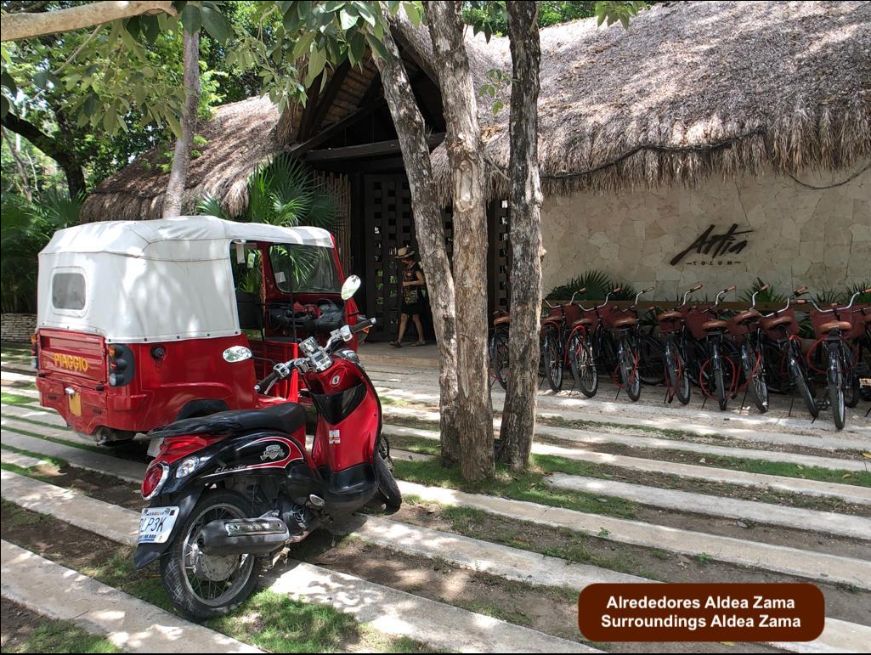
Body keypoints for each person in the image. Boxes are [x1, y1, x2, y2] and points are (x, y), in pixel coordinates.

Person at [390, 246, 426, 347]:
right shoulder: (407, 268)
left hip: (414, 296)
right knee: (404, 317)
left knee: (415, 318)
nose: (402, 260)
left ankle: (421, 339)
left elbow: (422, 281)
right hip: (407, 296)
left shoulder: (416, 267)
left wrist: (409, 283)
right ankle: (399, 340)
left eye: (403, 258)